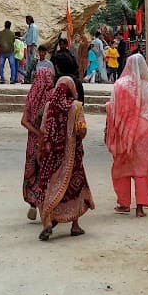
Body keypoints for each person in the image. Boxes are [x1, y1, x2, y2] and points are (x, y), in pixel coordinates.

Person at [35, 76, 93, 241]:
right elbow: (82, 130)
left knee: (50, 186)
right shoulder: (76, 107)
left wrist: (40, 151)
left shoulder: (48, 106)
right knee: (75, 187)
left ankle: (47, 223)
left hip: (51, 155)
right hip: (72, 155)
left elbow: (43, 130)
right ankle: (74, 225)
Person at [105, 53, 148, 217]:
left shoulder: (119, 86)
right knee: (142, 169)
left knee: (122, 167)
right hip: (145, 134)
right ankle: (140, 208)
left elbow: (112, 109)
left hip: (124, 134)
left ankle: (123, 204)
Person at [20, 66, 57, 221]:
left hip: (32, 142)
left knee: (33, 171)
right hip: (47, 142)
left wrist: (35, 133)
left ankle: (33, 204)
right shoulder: (52, 96)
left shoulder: (31, 96)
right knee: (47, 173)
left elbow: (23, 121)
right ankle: (48, 207)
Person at [0, 20, 18, 84]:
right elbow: (13, 41)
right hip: (10, 51)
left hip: (2, 51)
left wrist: (2, 43)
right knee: (12, 65)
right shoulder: (12, 33)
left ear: (4, 25)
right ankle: (12, 79)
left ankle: (2, 78)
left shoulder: (0, 33)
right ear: (10, 26)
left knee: (1, 65)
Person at [22, 15, 40, 81]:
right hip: (29, 46)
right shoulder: (30, 27)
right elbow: (25, 37)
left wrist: (32, 46)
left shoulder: (33, 27)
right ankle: (29, 77)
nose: (26, 21)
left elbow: (34, 37)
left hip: (32, 46)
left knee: (32, 61)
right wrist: (19, 38)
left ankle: (33, 77)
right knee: (29, 62)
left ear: (29, 20)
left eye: (27, 20)